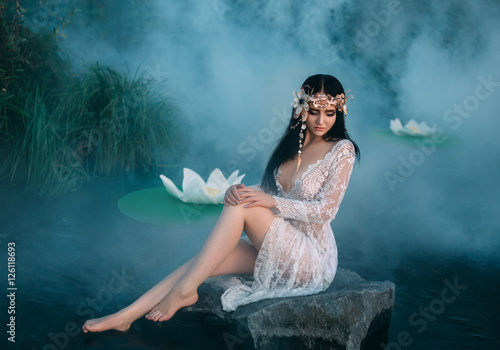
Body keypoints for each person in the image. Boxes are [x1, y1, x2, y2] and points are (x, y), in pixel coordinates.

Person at [82, 73, 360, 333]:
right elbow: (271, 190)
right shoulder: (293, 145)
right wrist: (239, 189)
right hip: (279, 242)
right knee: (205, 259)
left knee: (239, 208)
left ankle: (184, 292)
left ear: (340, 112)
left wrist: (268, 200)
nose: (321, 120)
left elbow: (326, 211)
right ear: (301, 109)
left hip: (311, 259)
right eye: (313, 111)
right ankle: (126, 315)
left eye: (329, 113)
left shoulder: (342, 150)